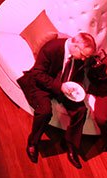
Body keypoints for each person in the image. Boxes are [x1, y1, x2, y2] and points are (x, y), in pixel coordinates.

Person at [17, 32, 98, 168]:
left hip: (66, 86)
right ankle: (33, 142)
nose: (84, 59)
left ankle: (70, 144)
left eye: (86, 57)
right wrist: (59, 86)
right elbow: (37, 73)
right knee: (44, 112)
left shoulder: (79, 56)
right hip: (44, 84)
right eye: (83, 55)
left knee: (81, 111)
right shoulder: (51, 48)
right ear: (75, 46)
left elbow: (78, 74)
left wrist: (77, 87)